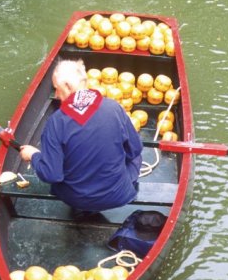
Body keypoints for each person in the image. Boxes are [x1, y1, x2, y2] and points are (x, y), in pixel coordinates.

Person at [19, 59, 143, 213]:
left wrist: (34, 155)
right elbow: (135, 149)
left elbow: (51, 175)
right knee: (136, 157)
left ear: (68, 86)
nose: (56, 95)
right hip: (117, 196)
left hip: (74, 198)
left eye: (57, 89)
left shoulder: (56, 121)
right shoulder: (114, 108)